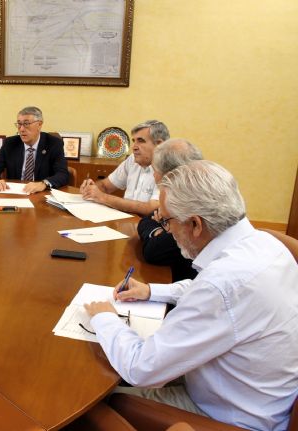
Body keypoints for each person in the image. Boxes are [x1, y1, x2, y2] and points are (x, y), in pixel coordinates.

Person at [84, 161, 298, 430]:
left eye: (166, 221)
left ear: (195, 224)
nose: (167, 229)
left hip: (228, 415)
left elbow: (141, 368)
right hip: (264, 395)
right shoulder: (265, 244)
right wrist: (151, 290)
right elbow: (217, 291)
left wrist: (105, 318)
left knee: (95, 400)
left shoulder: (222, 286)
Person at [137, 138, 203, 281]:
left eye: (154, 171)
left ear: (170, 175)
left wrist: (162, 228)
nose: (153, 176)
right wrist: (161, 229)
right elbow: (147, 219)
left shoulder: (191, 203)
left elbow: (153, 252)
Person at [80, 120, 169, 216]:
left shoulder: (169, 167)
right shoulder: (132, 159)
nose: (134, 147)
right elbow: (105, 186)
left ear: (159, 144)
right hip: (125, 220)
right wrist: (91, 188)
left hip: (149, 225)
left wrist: (102, 197)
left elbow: (151, 208)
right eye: (134, 141)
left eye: (141, 141)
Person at [0, 106, 69, 193]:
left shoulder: (53, 143)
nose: (21, 129)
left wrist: (43, 184)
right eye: (19, 124)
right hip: (14, 194)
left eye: (26, 124)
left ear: (39, 124)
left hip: (41, 196)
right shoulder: (10, 143)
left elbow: (62, 174)